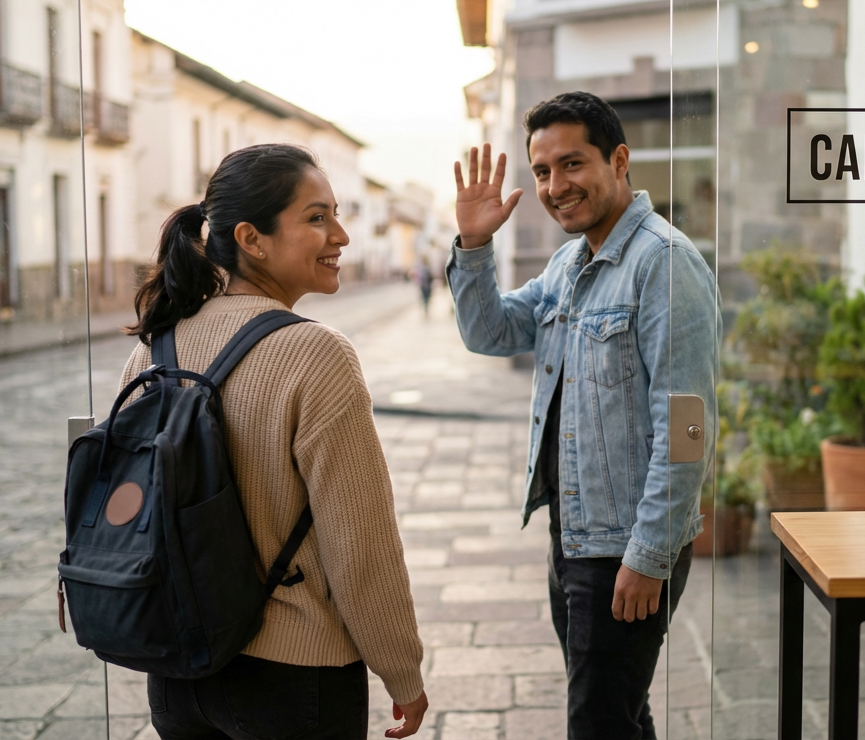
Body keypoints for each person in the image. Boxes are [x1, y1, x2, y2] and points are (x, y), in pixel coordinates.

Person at [121, 144, 429, 740]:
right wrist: (402, 671)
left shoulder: (155, 346)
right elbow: (360, 542)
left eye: (336, 214)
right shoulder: (317, 354)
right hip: (296, 679)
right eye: (316, 218)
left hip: (179, 672)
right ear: (251, 238)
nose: (340, 234)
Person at [446, 92, 717, 738]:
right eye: (542, 172)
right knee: (620, 713)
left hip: (623, 546)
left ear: (618, 160)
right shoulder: (570, 264)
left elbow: (686, 430)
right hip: (572, 534)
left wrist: (648, 555)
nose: (554, 186)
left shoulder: (664, 264)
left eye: (572, 164)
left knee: (597, 722)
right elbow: (490, 332)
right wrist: (474, 245)